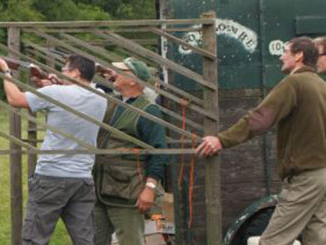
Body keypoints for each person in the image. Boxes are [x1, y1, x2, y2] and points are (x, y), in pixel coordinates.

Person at [195, 37, 326, 245]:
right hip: (322, 177)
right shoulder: (321, 85)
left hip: (305, 179)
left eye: (285, 51)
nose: (281, 56)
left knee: (272, 240)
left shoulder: (294, 83)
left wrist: (222, 140)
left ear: (299, 55)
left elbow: (259, 119)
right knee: (317, 238)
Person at [0, 54, 108, 245]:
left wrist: (5, 71)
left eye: (64, 69)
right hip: (82, 179)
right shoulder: (101, 98)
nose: (61, 73)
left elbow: (15, 99)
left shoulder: (57, 93)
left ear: (76, 72)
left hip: (51, 177)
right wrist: (50, 84)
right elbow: (71, 100)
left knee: (34, 239)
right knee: (85, 240)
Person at [93, 57, 168, 245]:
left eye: (121, 71)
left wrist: (150, 189)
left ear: (134, 80)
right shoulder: (113, 102)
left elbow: (159, 152)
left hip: (127, 193)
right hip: (100, 188)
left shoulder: (149, 111)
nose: (114, 74)